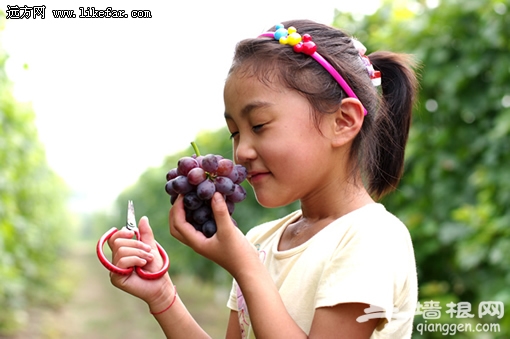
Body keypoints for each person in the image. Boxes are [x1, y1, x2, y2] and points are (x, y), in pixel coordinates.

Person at [107, 19, 419, 338]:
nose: (241, 152)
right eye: (234, 133)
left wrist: (245, 267)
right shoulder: (261, 240)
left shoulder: (372, 238)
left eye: (258, 125)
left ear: (342, 121)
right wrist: (162, 295)